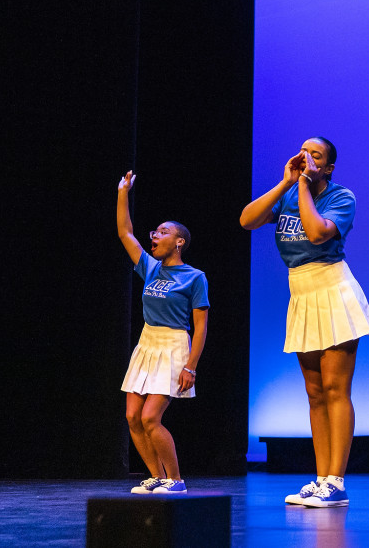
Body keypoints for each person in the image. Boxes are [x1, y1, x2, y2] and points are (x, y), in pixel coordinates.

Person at [240, 137, 369, 508]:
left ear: (328, 168)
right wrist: (287, 182)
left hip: (332, 288)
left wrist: (303, 185)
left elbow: (317, 234)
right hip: (300, 292)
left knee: (335, 389)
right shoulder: (288, 192)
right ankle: (320, 480)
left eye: (315, 155)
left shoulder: (341, 197)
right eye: (303, 152)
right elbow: (247, 220)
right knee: (314, 393)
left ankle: (337, 480)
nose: (306, 158)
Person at [116, 170, 209, 495]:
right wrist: (123, 192)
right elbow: (126, 232)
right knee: (132, 417)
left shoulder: (195, 278)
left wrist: (190, 366)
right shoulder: (150, 268)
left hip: (173, 346)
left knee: (151, 418)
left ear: (179, 241)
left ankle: (177, 480)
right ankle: (157, 476)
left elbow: (200, 327)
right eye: (154, 232)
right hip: (147, 343)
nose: (154, 236)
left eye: (163, 232)